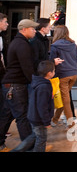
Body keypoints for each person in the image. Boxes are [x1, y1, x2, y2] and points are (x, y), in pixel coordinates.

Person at [0, 19, 38, 152]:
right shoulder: (22, 44)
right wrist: (34, 83)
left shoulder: (19, 42)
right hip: (15, 86)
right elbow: (27, 67)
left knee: (7, 115)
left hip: (10, 85)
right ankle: (29, 147)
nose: (34, 30)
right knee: (22, 117)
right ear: (24, 29)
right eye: (32, 28)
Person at [11, 60, 55, 152]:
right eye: (54, 71)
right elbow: (42, 106)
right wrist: (46, 121)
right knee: (41, 139)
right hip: (39, 119)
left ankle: (17, 150)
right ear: (49, 73)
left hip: (33, 116)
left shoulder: (38, 82)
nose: (54, 72)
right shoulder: (44, 87)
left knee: (34, 136)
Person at [49, 25, 77, 129]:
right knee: (64, 98)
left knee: (65, 100)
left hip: (62, 75)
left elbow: (52, 61)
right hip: (74, 74)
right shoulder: (73, 44)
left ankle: (71, 124)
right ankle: (55, 119)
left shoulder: (55, 46)